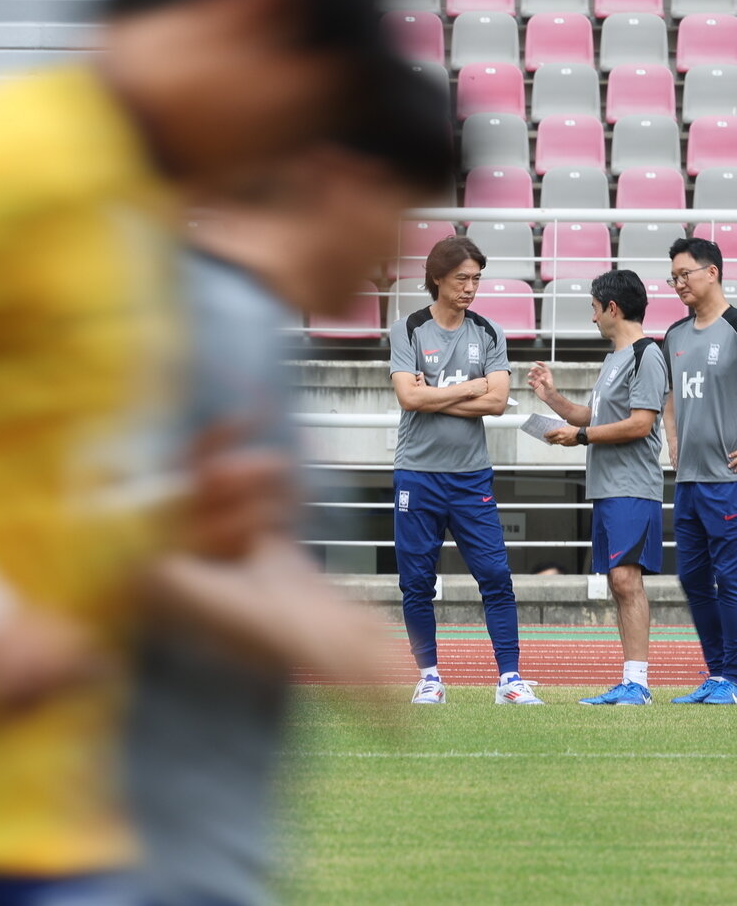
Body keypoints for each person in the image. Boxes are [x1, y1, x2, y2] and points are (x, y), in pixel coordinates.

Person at [0, 0, 385, 901]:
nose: (285, 155)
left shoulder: (126, 208)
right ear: (258, 19)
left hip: (39, 817)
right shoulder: (14, 158)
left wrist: (168, 518)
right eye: (301, 115)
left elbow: (16, 474)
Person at [124, 57, 452, 906]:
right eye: (404, 215)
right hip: (130, 858)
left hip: (198, 854)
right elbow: (64, 530)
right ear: (342, 180)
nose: (397, 255)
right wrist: (305, 628)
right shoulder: (200, 321)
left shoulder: (243, 324)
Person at [389, 237, 542, 706]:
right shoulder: (409, 329)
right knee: (416, 581)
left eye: (476, 278)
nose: (470, 288)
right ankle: (429, 676)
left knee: (495, 575)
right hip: (417, 474)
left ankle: (510, 679)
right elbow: (408, 399)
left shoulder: (489, 331)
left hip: (472, 475)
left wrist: (436, 395)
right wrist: (469, 390)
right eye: (462, 279)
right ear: (437, 277)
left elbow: (496, 402)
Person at [528, 269, 668, 706]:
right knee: (618, 582)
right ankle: (631, 680)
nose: (592, 319)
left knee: (627, 581)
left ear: (612, 308)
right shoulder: (614, 359)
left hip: (632, 485)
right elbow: (595, 416)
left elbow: (642, 423)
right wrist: (553, 400)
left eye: (594, 309)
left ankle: (638, 683)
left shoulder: (648, 355)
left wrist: (581, 438)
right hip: (608, 486)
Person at [662, 238, 737, 705]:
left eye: (684, 274)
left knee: (730, 579)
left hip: (734, 480)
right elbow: (672, 395)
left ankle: (733, 678)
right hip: (689, 480)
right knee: (692, 579)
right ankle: (717, 672)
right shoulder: (674, 334)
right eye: (673, 277)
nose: (678, 284)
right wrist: (672, 437)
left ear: (712, 272)